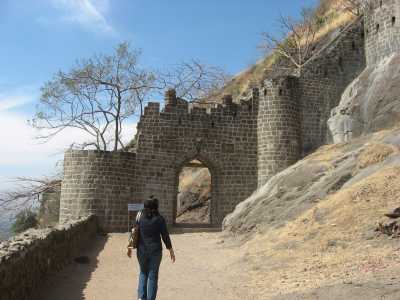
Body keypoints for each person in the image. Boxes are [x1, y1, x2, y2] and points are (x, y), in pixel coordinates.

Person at [127, 197, 175, 300]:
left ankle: (141, 298)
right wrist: (171, 250)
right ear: (156, 206)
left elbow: (133, 230)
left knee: (143, 272)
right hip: (156, 251)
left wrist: (129, 248)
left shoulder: (139, 215)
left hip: (141, 250)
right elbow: (165, 235)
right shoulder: (159, 219)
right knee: (153, 275)